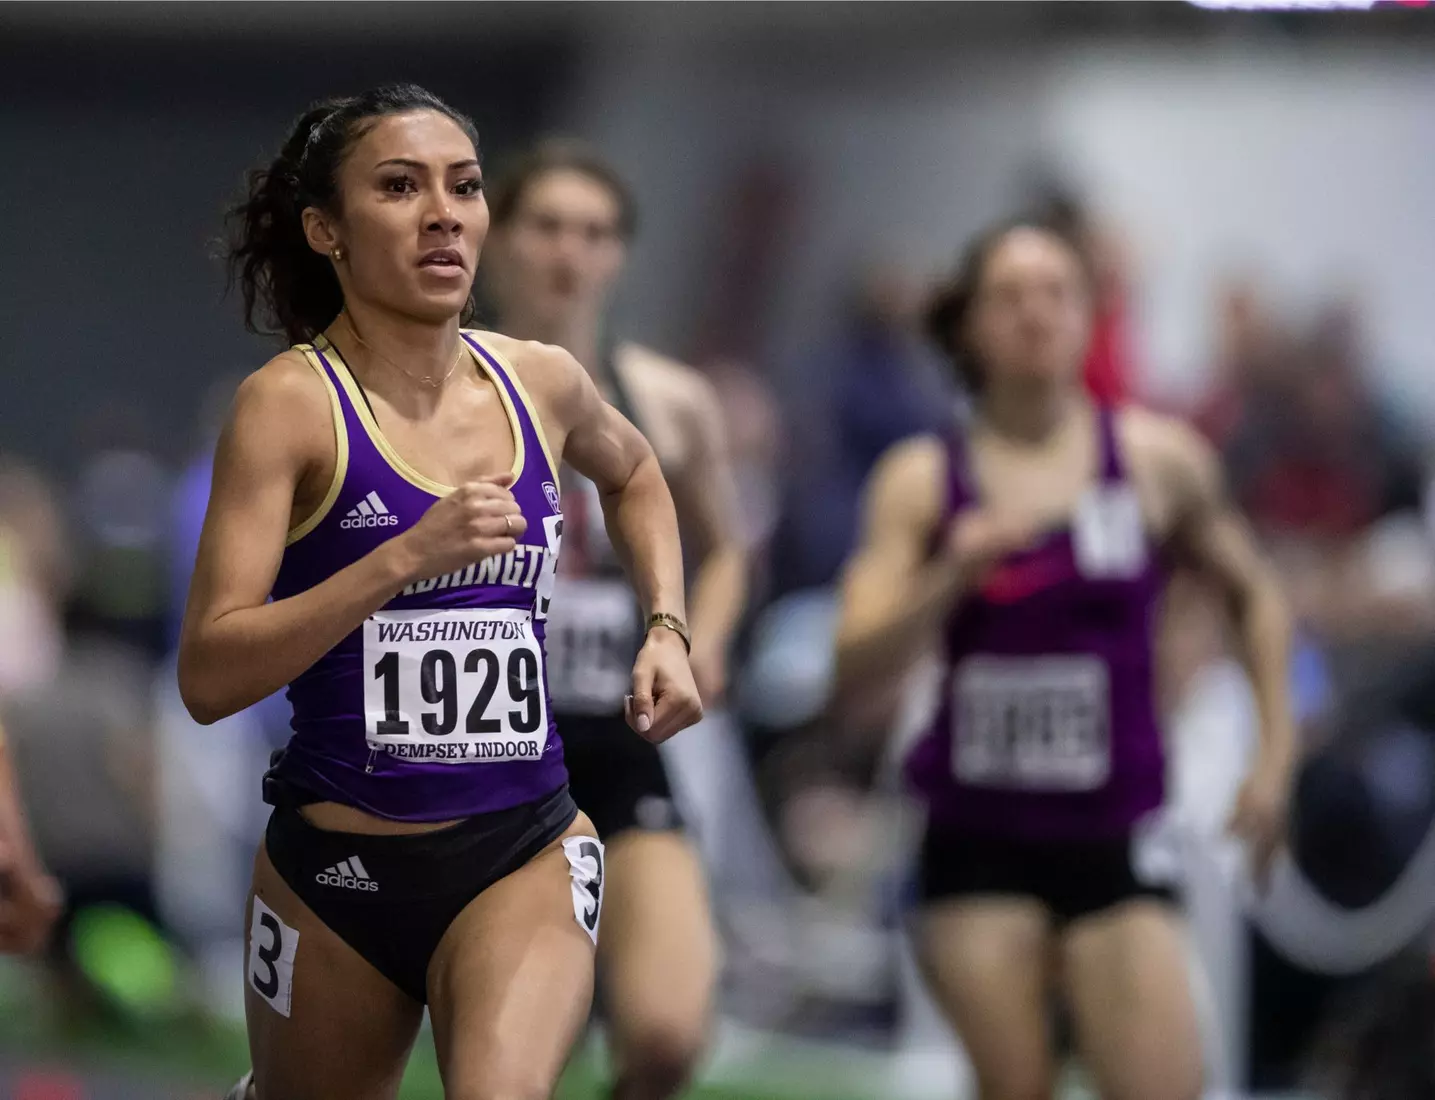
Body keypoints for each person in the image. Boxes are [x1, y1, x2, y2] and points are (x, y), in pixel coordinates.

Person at [180, 84, 702, 1100]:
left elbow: (635, 472)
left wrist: (668, 625)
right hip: (336, 866)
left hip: (522, 845)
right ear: (326, 228)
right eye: (399, 186)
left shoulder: (540, 381)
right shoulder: (288, 405)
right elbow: (209, 672)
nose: (442, 213)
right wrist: (398, 558)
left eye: (462, 186)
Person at [832, 218, 1296, 1100]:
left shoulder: (1158, 463)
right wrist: (949, 576)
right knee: (1018, 1088)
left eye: (1056, 293)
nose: (1035, 314)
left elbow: (1258, 598)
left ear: (1089, 317)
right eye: (1009, 296)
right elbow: (848, 665)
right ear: (970, 324)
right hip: (976, 844)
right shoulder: (923, 479)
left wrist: (1274, 760)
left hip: (1114, 836)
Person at [480, 140, 743, 1100]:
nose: (568, 253)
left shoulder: (668, 401)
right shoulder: (445, 387)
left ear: (618, 254)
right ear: (499, 239)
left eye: (593, 233)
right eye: (546, 226)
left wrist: (693, 632)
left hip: (617, 731)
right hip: (481, 747)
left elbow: (727, 549)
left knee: (669, 1034)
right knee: (516, 1061)